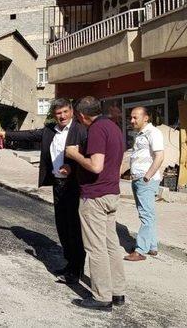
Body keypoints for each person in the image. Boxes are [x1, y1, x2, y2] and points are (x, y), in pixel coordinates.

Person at [0, 98, 87, 284]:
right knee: (62, 226)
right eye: (58, 113)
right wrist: (6, 134)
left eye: (65, 112)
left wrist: (73, 167)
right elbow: (30, 135)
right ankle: (70, 264)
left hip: (74, 185)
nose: (62, 116)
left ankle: (76, 269)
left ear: (71, 111)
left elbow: (87, 155)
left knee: (74, 229)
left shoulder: (80, 130)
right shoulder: (50, 130)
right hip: (58, 184)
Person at [65, 96, 126, 311]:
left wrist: (75, 155)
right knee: (111, 245)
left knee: (95, 247)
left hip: (95, 196)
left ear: (81, 115)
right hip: (111, 193)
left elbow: (96, 165)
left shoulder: (97, 130)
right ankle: (117, 292)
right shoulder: (113, 127)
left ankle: (101, 297)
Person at [124, 107, 165, 261]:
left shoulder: (153, 132)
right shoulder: (142, 134)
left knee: (145, 215)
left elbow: (159, 156)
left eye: (135, 117)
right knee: (149, 214)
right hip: (139, 179)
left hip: (145, 180)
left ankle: (140, 250)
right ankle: (152, 246)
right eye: (131, 117)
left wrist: (147, 177)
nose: (132, 120)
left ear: (146, 118)